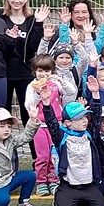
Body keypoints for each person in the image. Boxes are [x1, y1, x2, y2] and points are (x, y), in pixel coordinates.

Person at [39, 95, 104, 206]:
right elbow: (52, 123)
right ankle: (59, 193)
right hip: (69, 185)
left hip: (88, 184)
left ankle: (81, 201)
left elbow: (96, 118)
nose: (85, 120)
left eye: (85, 117)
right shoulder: (61, 136)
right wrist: (46, 103)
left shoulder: (89, 133)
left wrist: (96, 95)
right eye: (79, 118)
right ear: (68, 123)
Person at [24, 54, 77, 196]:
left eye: (47, 71)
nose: (43, 74)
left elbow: (72, 92)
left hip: (56, 125)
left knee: (55, 155)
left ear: (52, 71)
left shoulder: (56, 84)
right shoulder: (32, 86)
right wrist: (37, 93)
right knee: (42, 156)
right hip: (40, 126)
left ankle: (54, 180)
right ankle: (41, 182)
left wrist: (61, 80)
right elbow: (28, 105)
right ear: (34, 72)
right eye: (40, 71)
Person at [0, 0, 49, 124]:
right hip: (4, 74)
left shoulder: (32, 20)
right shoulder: (0, 18)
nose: (17, 0)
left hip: (25, 73)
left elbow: (33, 47)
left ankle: (34, 146)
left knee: (28, 113)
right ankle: (5, 146)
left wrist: (39, 23)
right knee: (4, 114)